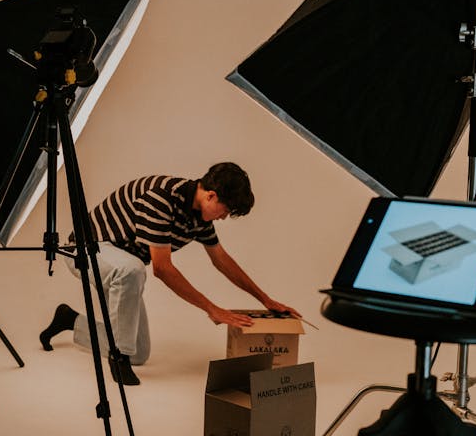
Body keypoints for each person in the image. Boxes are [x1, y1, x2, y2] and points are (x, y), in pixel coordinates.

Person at [39, 162, 300, 385]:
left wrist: (265, 300)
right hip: (85, 251)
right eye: (226, 210)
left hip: (122, 268)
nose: (223, 217)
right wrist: (211, 308)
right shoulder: (161, 198)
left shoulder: (200, 218)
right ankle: (118, 360)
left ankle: (69, 320)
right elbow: (162, 268)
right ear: (210, 196)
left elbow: (222, 260)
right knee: (133, 270)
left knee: (138, 352)